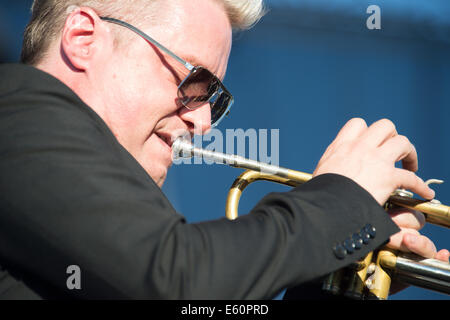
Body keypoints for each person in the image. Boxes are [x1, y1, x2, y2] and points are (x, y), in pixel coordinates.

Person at [0, 0, 448, 300]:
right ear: (83, 39)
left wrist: (332, 275)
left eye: (216, 99)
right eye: (196, 83)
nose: (203, 122)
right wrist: (338, 203)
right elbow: (177, 279)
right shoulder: (13, 107)